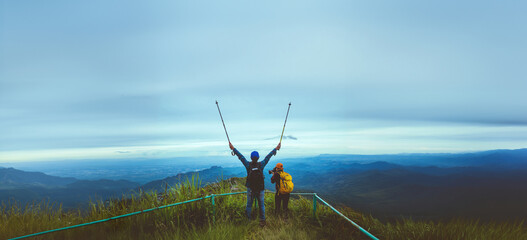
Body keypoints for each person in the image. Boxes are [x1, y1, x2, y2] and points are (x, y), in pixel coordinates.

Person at [229, 142, 281, 227]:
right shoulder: (261, 164)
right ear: (258, 158)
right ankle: (262, 220)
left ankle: (248, 220)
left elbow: (241, 157)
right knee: (261, 205)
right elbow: (268, 157)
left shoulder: (248, 165)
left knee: (249, 205)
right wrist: (276, 149)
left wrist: (233, 148)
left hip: (250, 188)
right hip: (260, 189)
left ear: (250, 158)